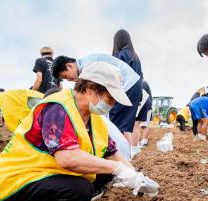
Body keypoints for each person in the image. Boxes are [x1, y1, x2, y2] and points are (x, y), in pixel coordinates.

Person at [0, 62, 159, 201]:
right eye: (110, 97)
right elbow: (66, 158)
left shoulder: (93, 117)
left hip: (44, 176)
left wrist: (136, 176)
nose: (113, 104)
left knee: (100, 176)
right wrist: (118, 169)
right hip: (14, 181)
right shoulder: (57, 108)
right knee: (80, 189)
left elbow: (111, 152)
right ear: (91, 89)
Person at [52, 54, 140, 146]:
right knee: (118, 124)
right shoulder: (88, 65)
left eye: (65, 76)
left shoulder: (89, 68)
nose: (68, 80)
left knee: (116, 125)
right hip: (131, 83)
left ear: (69, 65)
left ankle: (122, 149)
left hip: (127, 84)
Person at [112, 29, 144, 158]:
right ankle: (128, 153)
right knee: (127, 124)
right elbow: (141, 76)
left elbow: (115, 75)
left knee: (116, 123)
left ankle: (120, 154)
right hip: (136, 91)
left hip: (125, 90)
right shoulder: (135, 56)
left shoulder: (121, 54)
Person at [137, 80, 153, 148]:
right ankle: (142, 141)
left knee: (145, 125)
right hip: (144, 106)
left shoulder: (143, 83)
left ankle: (144, 141)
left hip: (145, 106)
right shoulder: (143, 83)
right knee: (143, 125)